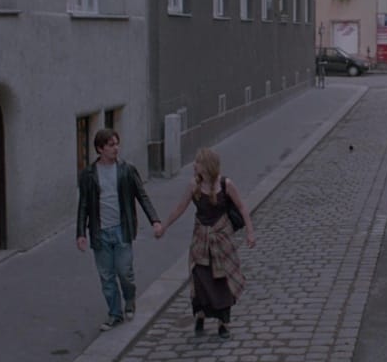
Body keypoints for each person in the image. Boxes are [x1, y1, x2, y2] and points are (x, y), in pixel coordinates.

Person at [156, 148, 256, 339]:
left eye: (198, 162)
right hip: (201, 240)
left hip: (222, 240)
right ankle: (200, 315)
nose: (194, 165)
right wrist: (164, 226)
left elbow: (242, 207)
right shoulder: (194, 185)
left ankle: (223, 323)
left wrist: (250, 232)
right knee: (200, 278)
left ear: (207, 166)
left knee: (222, 281)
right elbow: (180, 208)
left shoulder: (226, 184)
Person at [76, 128, 162, 331]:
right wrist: (80, 233)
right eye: (111, 145)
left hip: (122, 229)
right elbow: (84, 205)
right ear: (100, 149)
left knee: (124, 271)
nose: (116, 148)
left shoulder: (127, 169)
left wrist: (155, 220)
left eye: (117, 144)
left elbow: (142, 196)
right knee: (106, 277)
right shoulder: (88, 174)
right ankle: (115, 313)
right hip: (100, 232)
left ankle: (129, 299)